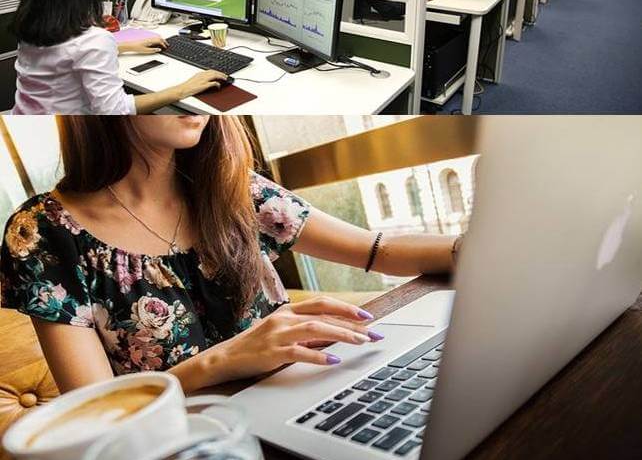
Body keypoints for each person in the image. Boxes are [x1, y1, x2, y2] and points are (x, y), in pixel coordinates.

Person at [0, 116, 460, 395]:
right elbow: (97, 412)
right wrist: (222, 360)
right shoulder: (43, 233)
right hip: (185, 451)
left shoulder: (231, 187)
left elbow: (377, 250)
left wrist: (473, 248)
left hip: (300, 396)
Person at [11, 0, 227, 115]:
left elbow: (63, 58)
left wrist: (125, 47)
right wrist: (183, 89)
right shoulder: (94, 40)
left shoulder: (33, 24)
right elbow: (115, 110)